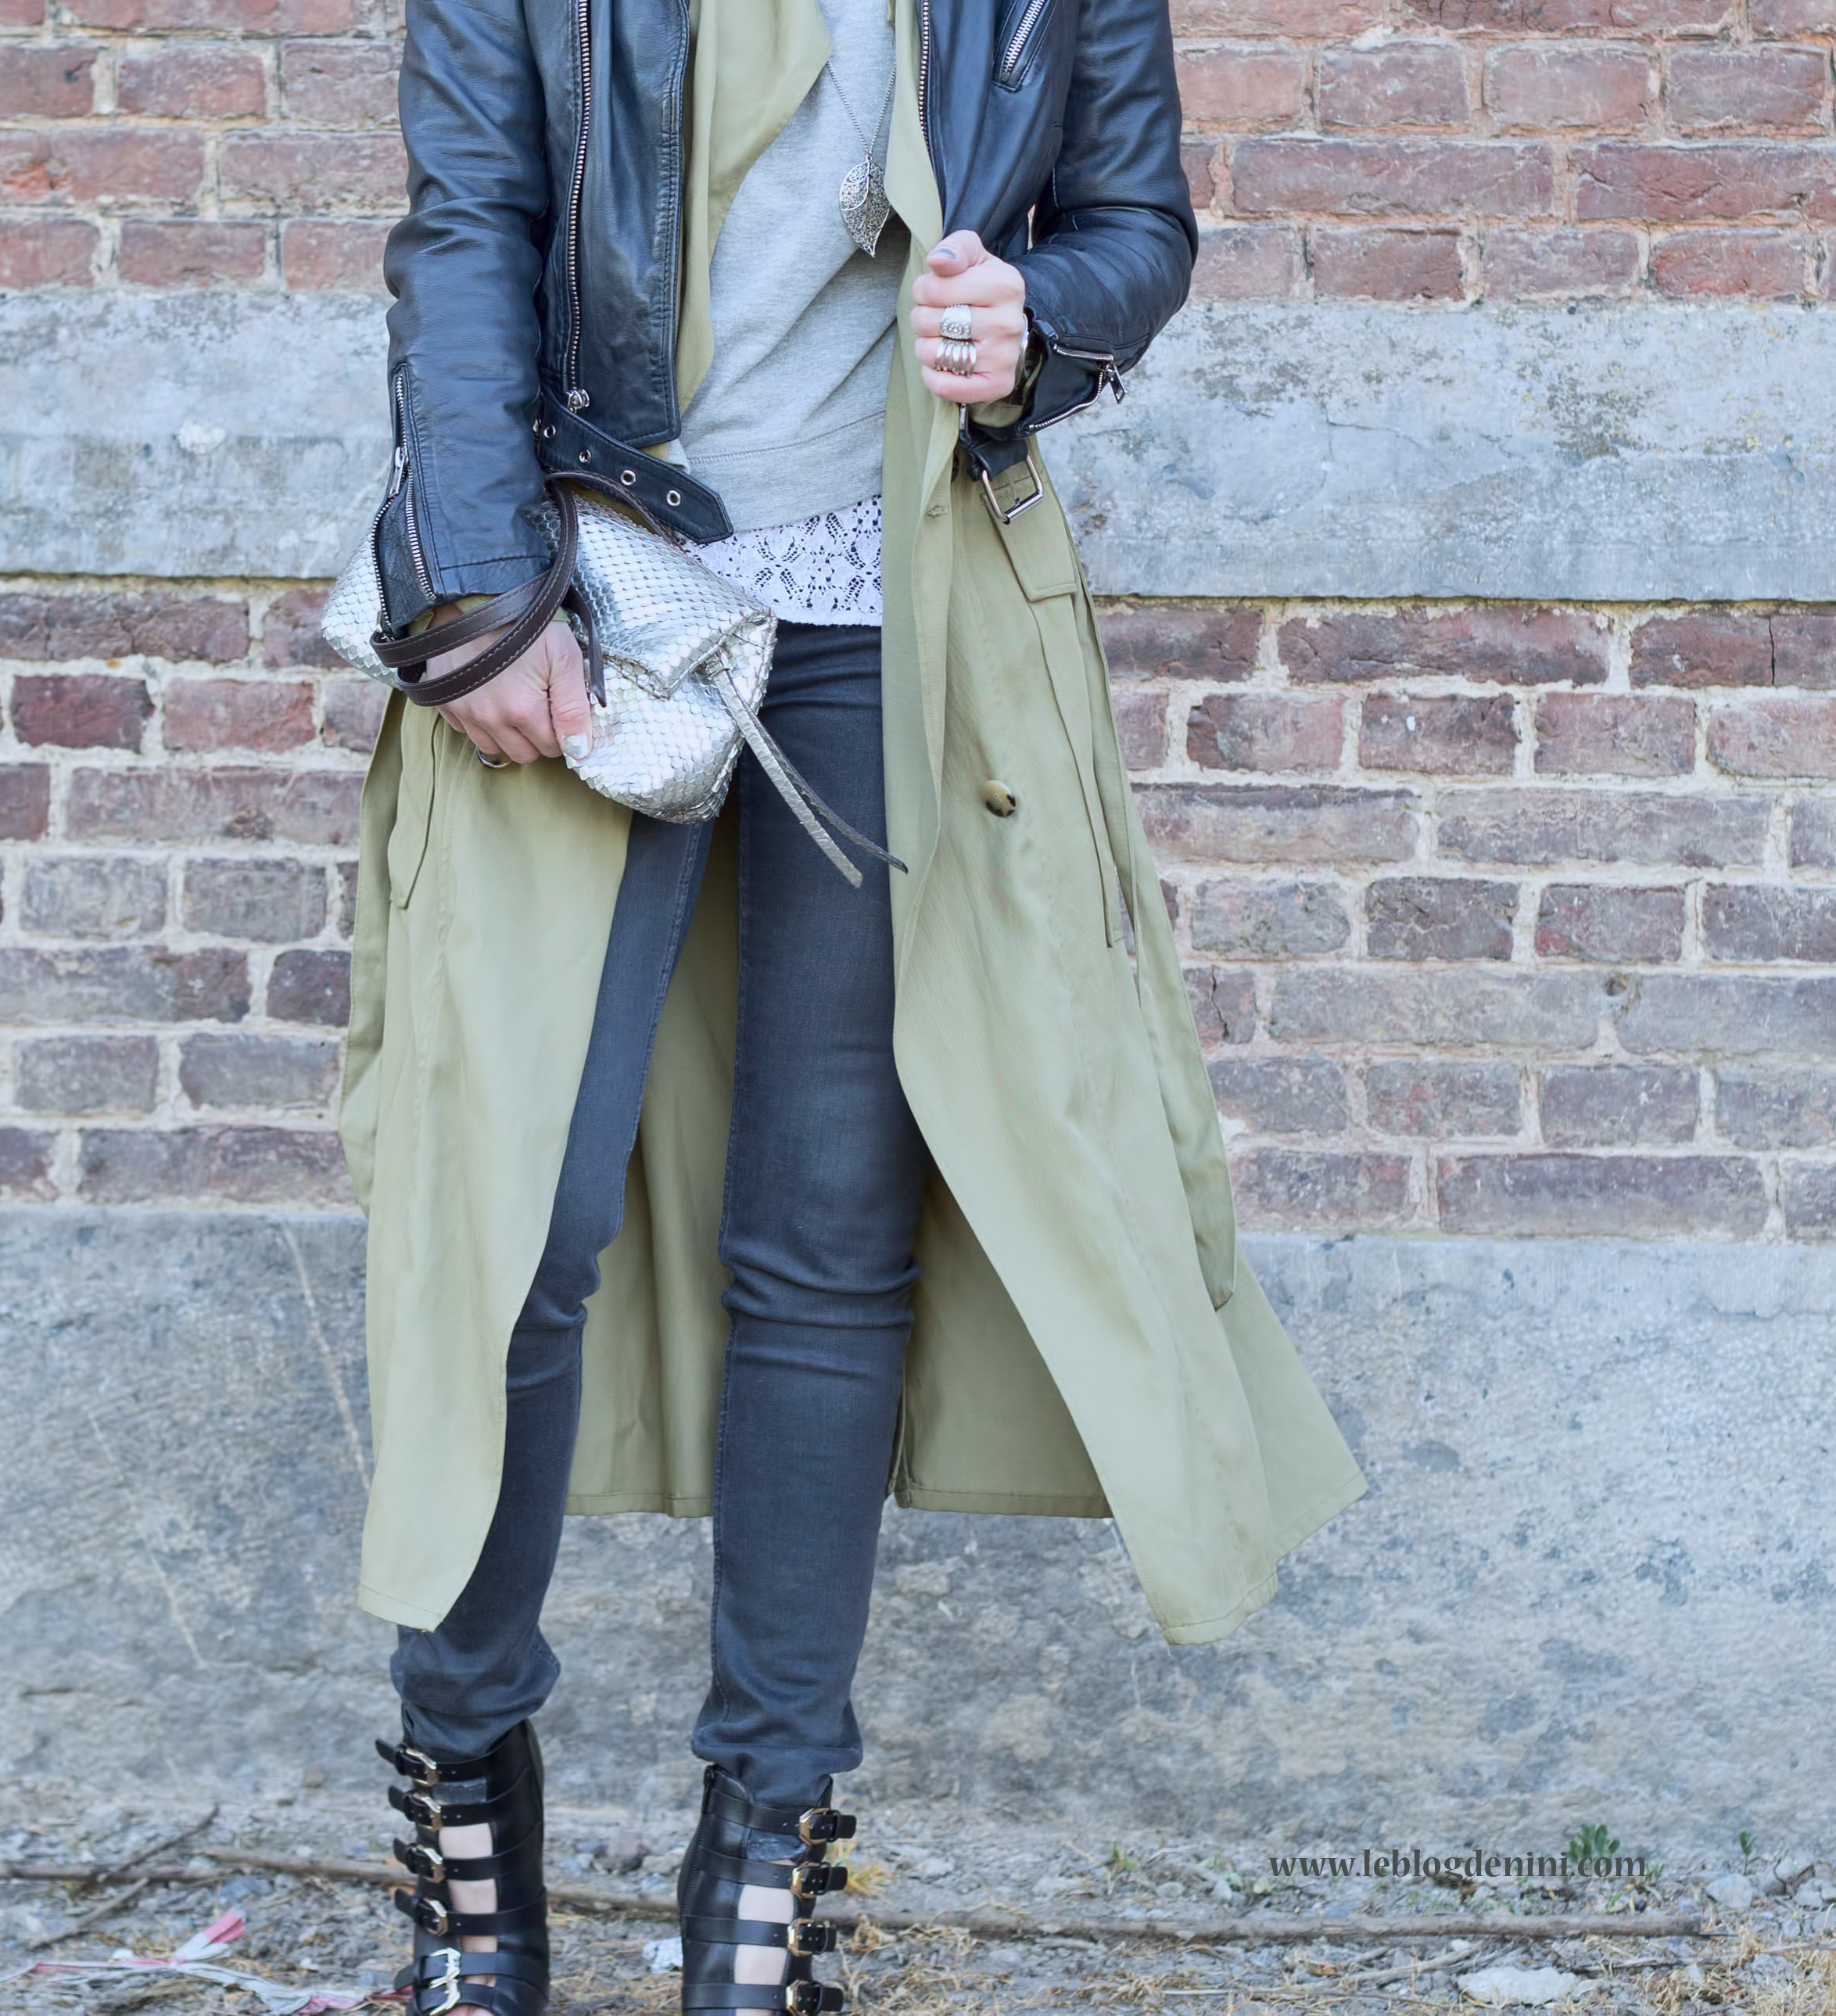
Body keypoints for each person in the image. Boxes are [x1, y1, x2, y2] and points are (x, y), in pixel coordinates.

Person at [336, 0, 1368, 2000]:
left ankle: (764, 1860)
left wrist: (1040, 321)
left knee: (827, 1244)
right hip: (586, 591)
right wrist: (472, 581)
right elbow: (465, 226)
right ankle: (468, 1819)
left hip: (892, 614)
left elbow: (1134, 222)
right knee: (509, 1223)